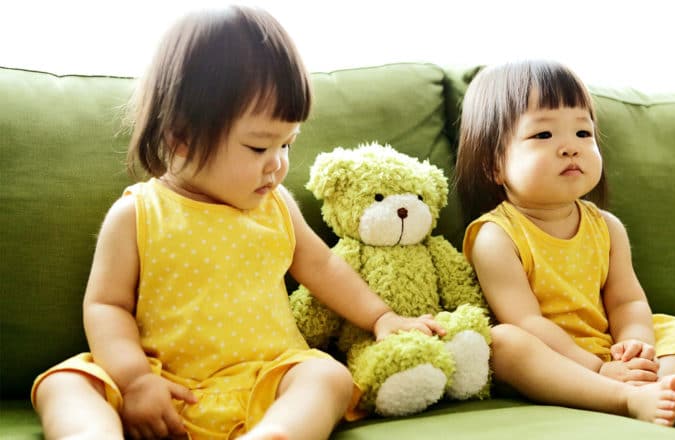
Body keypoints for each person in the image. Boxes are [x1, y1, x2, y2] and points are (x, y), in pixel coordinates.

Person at [30, 6, 445, 440]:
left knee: (328, 379)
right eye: (258, 148)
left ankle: (276, 433)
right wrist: (134, 380)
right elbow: (106, 305)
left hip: (262, 382)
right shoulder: (138, 213)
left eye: (287, 144)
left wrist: (381, 317)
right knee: (64, 384)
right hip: (158, 386)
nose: (279, 166)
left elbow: (322, 268)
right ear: (181, 137)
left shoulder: (276, 206)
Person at [455, 60, 675, 425]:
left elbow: (627, 299)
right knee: (504, 343)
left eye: (583, 133)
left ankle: (660, 385)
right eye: (543, 135)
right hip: (554, 358)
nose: (569, 148)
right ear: (493, 165)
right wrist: (596, 368)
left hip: (609, 347)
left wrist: (636, 345)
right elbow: (526, 321)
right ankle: (626, 398)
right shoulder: (495, 236)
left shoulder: (606, 227)